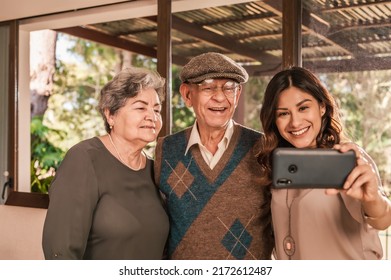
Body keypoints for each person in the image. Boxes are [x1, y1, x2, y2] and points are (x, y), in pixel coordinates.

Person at [257, 66, 391, 260]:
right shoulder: (279, 166)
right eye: (283, 113)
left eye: (303, 108)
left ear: (322, 107)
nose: (295, 122)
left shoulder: (346, 157)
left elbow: (383, 220)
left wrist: (372, 199)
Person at [154, 52, 274, 260]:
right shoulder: (166, 149)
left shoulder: (264, 149)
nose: (220, 97)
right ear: (187, 95)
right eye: (208, 87)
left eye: (229, 88)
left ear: (237, 96)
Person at [42, 67, 169, 260]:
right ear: (110, 115)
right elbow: (60, 251)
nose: (152, 116)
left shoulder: (156, 169)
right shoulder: (84, 158)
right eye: (141, 107)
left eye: (157, 109)